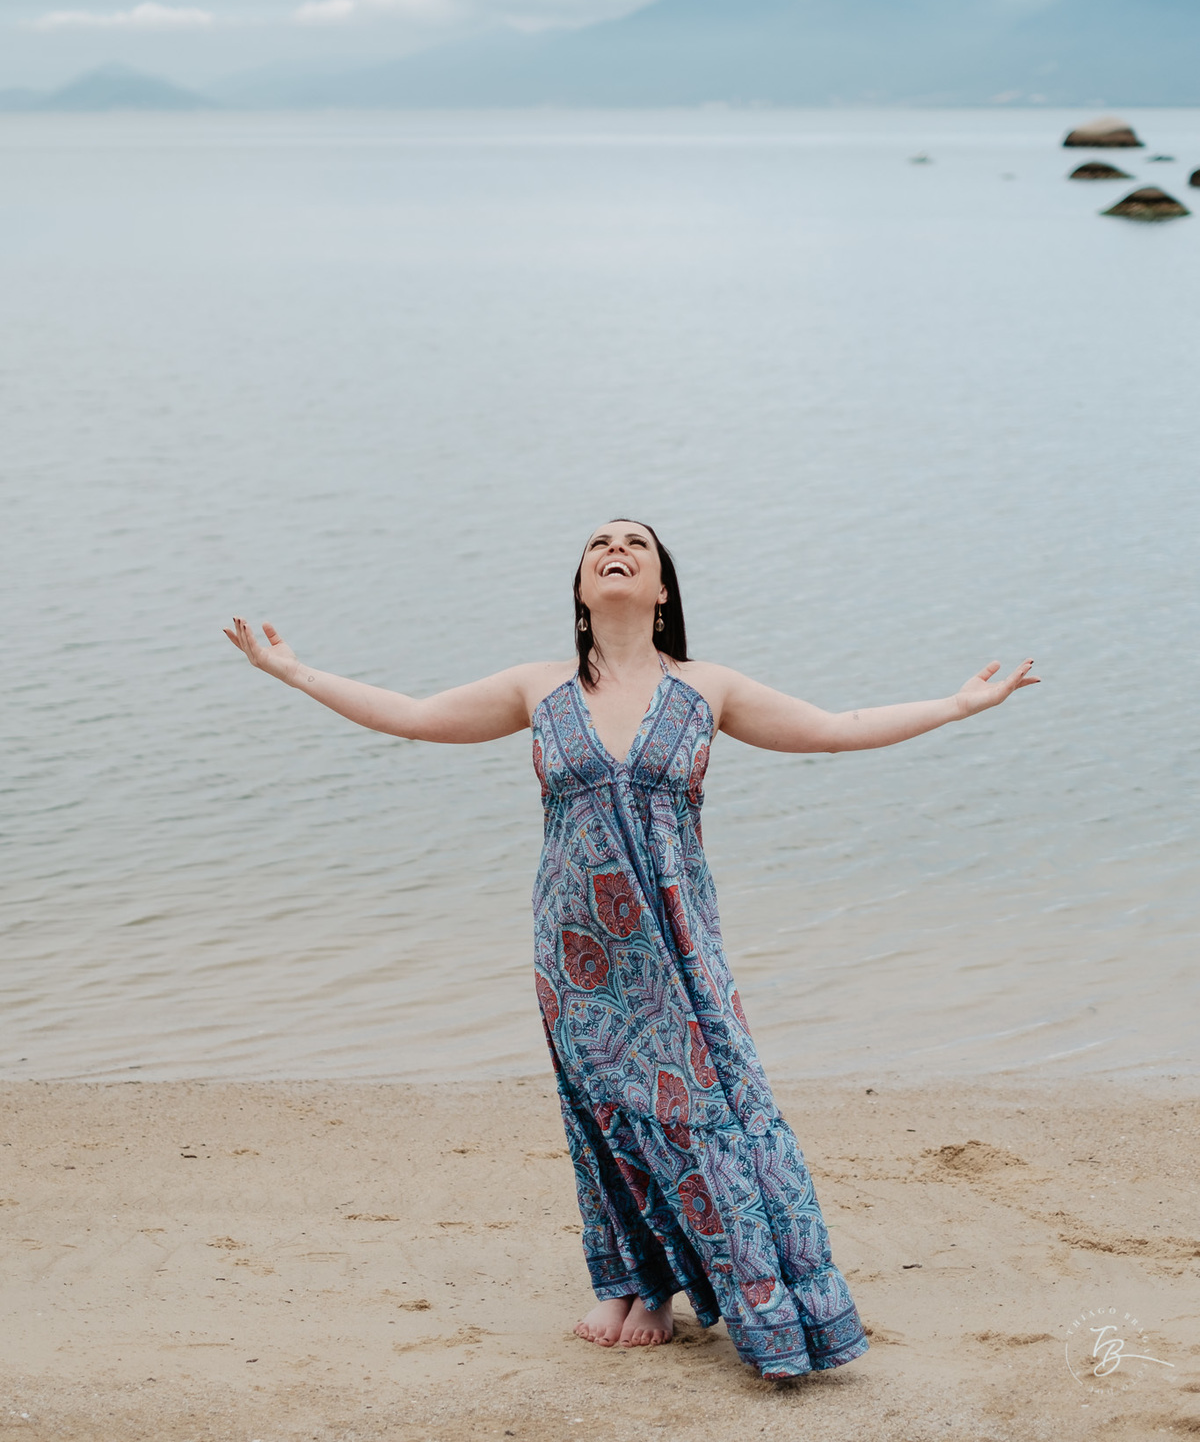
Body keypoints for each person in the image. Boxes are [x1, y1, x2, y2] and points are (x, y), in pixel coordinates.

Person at [225, 517, 1037, 1379]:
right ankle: (633, 1282)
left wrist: (956, 705)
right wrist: (292, 671)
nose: (616, 548)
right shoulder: (537, 689)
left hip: (677, 946)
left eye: (636, 545)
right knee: (603, 1116)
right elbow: (417, 718)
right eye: (599, 544)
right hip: (575, 947)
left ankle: (738, 1297)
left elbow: (834, 727)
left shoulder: (706, 689)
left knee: (705, 1112)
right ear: (581, 588)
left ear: (661, 590)